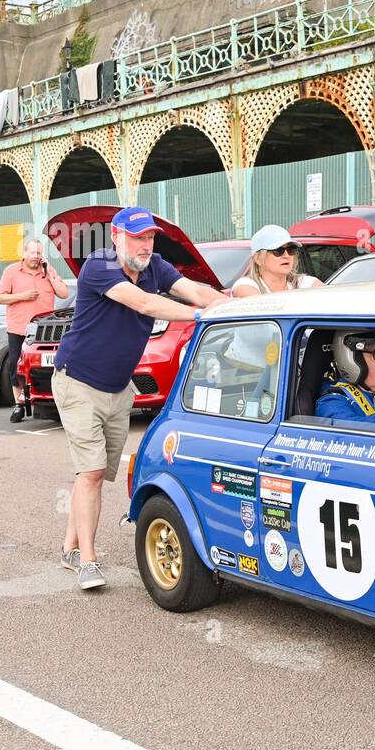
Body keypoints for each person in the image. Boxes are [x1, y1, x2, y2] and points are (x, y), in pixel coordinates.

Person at [53, 206, 229, 590]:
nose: (146, 244)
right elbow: (145, 304)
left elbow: (194, 290)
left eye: (150, 237)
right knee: (93, 472)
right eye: (137, 237)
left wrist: (227, 304)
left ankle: (69, 547)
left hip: (118, 387)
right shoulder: (99, 266)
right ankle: (88, 562)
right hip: (78, 383)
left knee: (92, 474)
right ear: (115, 236)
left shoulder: (156, 266)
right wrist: (200, 315)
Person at [0, 238, 69, 422]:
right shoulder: (11, 271)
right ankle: (19, 404)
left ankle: (49, 403)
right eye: (32, 253)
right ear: (24, 253)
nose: (36, 257)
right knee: (15, 367)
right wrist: (22, 296)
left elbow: (64, 293)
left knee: (46, 367)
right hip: (19, 328)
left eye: (38, 253)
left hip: (44, 332)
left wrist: (50, 275)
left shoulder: (48, 270)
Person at [230, 224, 323, 297]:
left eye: (291, 249)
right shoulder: (246, 285)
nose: (286, 255)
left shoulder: (304, 283)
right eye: (278, 251)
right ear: (258, 258)